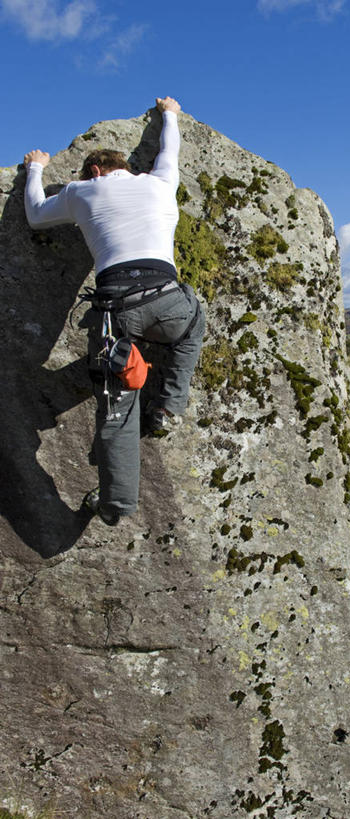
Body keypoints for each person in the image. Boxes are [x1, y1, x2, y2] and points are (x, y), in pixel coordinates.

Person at [24, 96, 205, 526]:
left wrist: (35, 167)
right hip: (167, 300)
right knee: (193, 323)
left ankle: (116, 505)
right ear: (125, 167)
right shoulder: (160, 183)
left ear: (94, 171)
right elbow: (168, 150)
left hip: (115, 317)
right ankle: (168, 407)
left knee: (119, 409)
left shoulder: (82, 190)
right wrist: (170, 115)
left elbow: (34, 215)